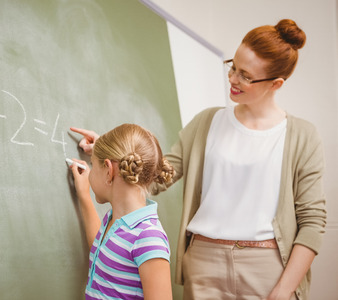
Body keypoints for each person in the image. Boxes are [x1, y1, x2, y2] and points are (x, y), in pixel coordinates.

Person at [70, 19, 327, 300]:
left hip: (267, 268)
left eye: (245, 75)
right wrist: (109, 153)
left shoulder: (302, 135)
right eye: (232, 67)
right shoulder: (208, 122)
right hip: (204, 264)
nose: (232, 79)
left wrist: (283, 290)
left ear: (276, 83)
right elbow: (153, 176)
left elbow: (312, 222)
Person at [68, 123, 175, 300]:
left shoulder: (148, 237)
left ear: (109, 171)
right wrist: (84, 196)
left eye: (93, 165)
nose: (90, 171)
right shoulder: (114, 219)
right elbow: (103, 252)